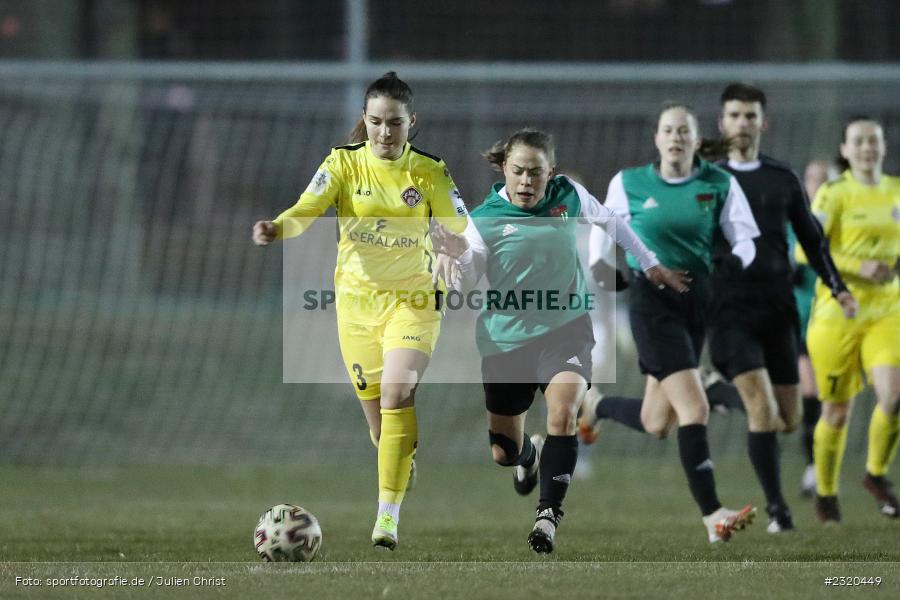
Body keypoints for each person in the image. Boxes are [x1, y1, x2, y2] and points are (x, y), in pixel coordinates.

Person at [433, 128, 686, 553]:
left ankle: (547, 516)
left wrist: (651, 263)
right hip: (506, 342)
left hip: (565, 329)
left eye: (536, 172)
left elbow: (612, 222)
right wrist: (454, 257)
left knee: (565, 411)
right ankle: (528, 459)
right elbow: (471, 271)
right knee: (503, 452)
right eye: (518, 172)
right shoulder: (484, 218)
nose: (527, 181)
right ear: (504, 170)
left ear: (550, 172)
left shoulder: (569, 195)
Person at [252, 72, 468, 550]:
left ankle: (386, 515)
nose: (385, 133)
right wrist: (277, 228)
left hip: (414, 301)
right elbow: (306, 209)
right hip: (355, 308)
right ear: (364, 122)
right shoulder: (343, 165)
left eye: (395, 123)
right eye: (376, 122)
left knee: (397, 391)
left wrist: (455, 248)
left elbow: (462, 226)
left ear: (413, 122)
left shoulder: (429, 171)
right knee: (380, 424)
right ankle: (398, 456)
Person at [580, 103, 761, 543]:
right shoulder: (629, 183)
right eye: (667, 129)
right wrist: (605, 273)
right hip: (651, 303)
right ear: (657, 139)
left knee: (657, 421)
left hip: (696, 303)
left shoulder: (719, 183)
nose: (676, 136)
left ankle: (595, 406)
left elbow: (747, 239)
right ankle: (713, 516)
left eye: (684, 130)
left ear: (695, 140)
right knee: (694, 408)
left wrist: (736, 264)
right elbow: (602, 229)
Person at [704, 84, 853, 533]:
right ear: (722, 122)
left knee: (788, 419)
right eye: (735, 115)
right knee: (763, 412)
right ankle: (778, 511)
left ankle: (716, 394)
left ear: (762, 123)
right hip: (729, 312)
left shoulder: (782, 178)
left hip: (778, 310)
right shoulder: (707, 180)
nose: (743, 123)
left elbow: (812, 240)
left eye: (750, 116)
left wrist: (838, 287)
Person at [807, 116, 900, 522]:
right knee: (837, 412)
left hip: (888, 310)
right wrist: (857, 265)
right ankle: (826, 494)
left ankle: (876, 475)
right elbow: (806, 251)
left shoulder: (897, 191)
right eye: (858, 141)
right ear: (845, 150)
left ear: (883, 147)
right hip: (838, 312)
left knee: (894, 397)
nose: (867, 148)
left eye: (873, 141)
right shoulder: (832, 194)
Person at [795, 159, 836, 496]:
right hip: (801, 321)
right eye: (812, 179)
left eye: (824, 179)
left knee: (831, 400)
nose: (817, 185)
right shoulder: (793, 222)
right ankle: (813, 469)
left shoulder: (841, 223)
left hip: (836, 322)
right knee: (810, 398)